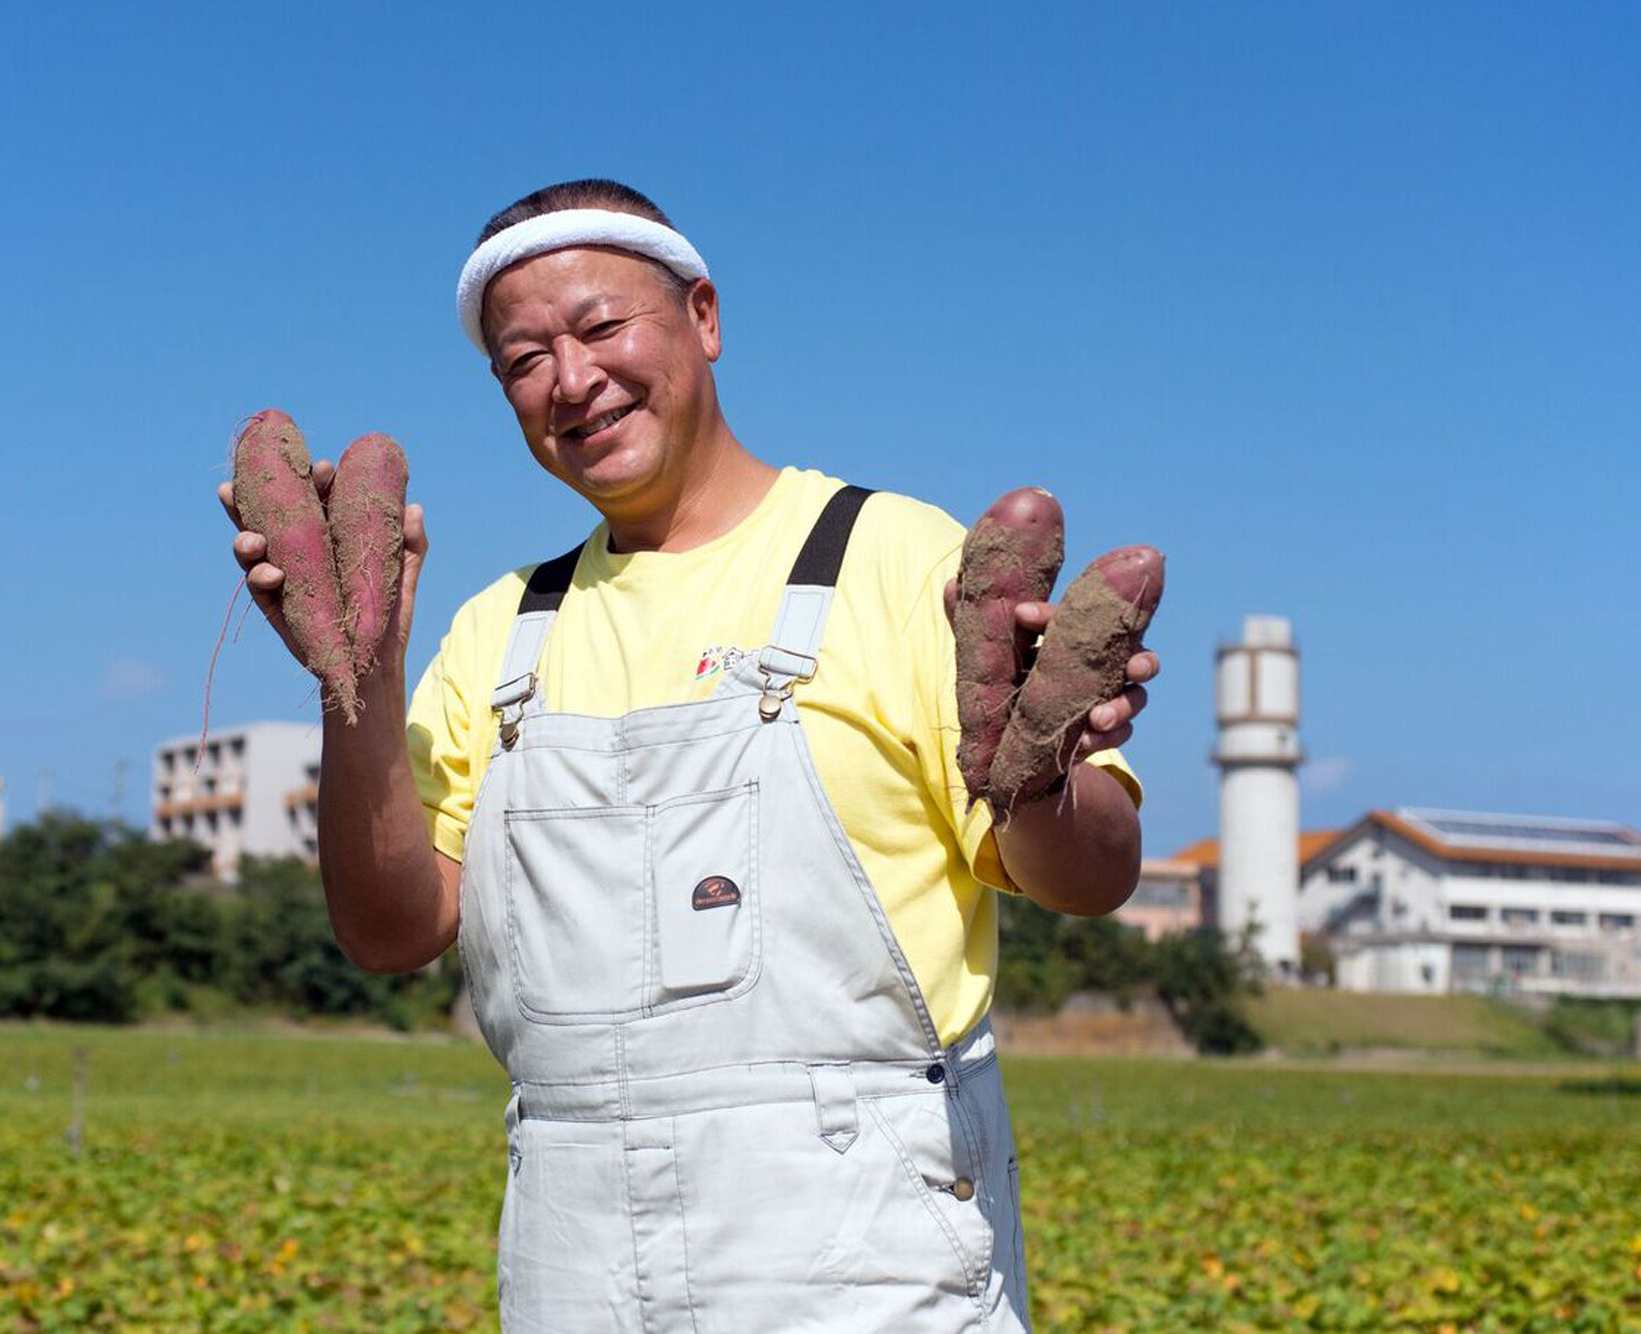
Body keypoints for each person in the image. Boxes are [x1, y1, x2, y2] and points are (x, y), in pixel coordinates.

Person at [220, 179, 1157, 1333]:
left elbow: (1092, 874)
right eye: (522, 359)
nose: (570, 380)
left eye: (601, 327)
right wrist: (354, 686)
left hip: (865, 1267)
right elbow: (389, 930)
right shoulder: (497, 629)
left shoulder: (902, 560)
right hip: (576, 1274)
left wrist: (1037, 780)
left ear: (702, 317)